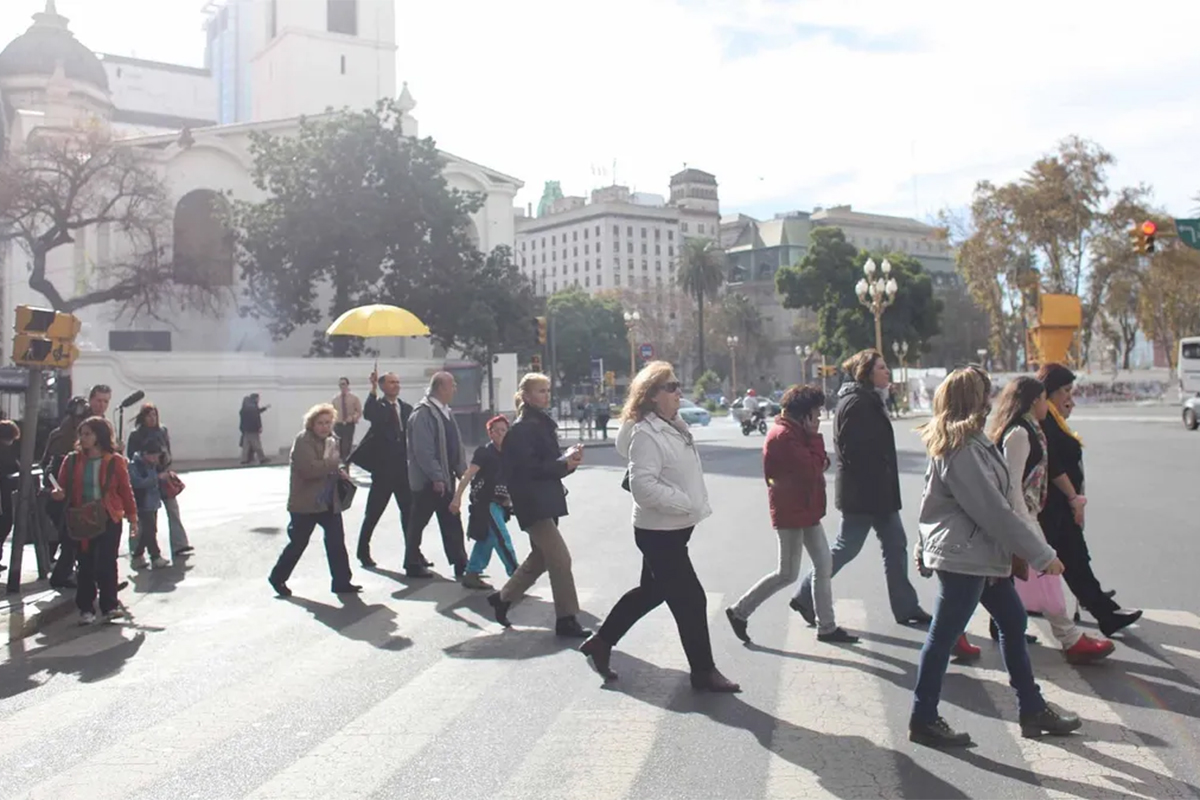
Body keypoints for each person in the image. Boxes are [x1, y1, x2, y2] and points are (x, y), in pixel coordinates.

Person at [910, 366, 1080, 747]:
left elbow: (930, 501)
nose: (990, 400)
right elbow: (994, 511)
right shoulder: (961, 449)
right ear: (972, 399)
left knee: (1013, 621)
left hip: (979, 554)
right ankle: (923, 717)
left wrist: (922, 545)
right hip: (965, 558)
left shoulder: (970, 441)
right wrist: (1041, 554)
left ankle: (1031, 708)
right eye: (984, 392)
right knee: (943, 637)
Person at [581, 361, 740, 691]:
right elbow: (642, 486)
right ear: (652, 395)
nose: (679, 392)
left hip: (671, 529)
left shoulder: (671, 425)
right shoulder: (646, 434)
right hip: (659, 534)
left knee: (652, 592)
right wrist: (685, 502)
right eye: (671, 387)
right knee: (692, 600)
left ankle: (601, 642)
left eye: (678, 385)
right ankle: (703, 671)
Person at [792, 349, 931, 627]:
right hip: (865, 495)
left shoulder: (868, 399)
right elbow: (852, 451)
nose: (887, 371)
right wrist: (877, 475)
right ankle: (805, 595)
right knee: (847, 547)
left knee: (895, 545)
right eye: (881, 367)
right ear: (866, 373)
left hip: (878, 494)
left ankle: (906, 607)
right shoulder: (857, 403)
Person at [988, 376, 1114, 664]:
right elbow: (1013, 486)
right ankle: (1071, 639)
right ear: (1034, 401)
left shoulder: (1032, 429)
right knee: (1047, 578)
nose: (1048, 404)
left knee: (1000, 583)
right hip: (1022, 520)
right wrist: (1028, 528)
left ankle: (978, 628)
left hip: (1025, 517)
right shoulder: (1020, 434)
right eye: (1045, 398)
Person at [725, 385, 858, 645]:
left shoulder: (795, 433)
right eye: (816, 413)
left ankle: (827, 627)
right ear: (804, 415)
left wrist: (815, 449)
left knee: (824, 564)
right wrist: (815, 439)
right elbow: (813, 468)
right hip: (792, 513)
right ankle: (740, 611)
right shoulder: (784, 437)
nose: (818, 418)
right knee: (787, 573)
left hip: (805, 509)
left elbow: (819, 463)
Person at [1036, 364, 1141, 637]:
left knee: (1075, 560)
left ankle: (1105, 612)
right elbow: (1054, 465)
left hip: (1060, 505)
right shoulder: (1045, 422)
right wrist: (1073, 498)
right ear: (1050, 391)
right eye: (1065, 391)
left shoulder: (1053, 419)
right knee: (1051, 563)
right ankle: (1003, 622)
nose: (1069, 397)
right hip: (1052, 506)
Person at [486, 372, 590, 638]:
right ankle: (566, 619)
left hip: (547, 500)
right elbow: (528, 470)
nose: (547, 395)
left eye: (547, 390)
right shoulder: (521, 429)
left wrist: (568, 462)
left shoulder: (541, 424)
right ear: (526, 396)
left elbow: (548, 465)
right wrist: (562, 464)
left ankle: (503, 599)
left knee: (540, 559)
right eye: (541, 391)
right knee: (560, 558)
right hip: (533, 504)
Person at [51, 417, 138, 625]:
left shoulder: (115, 461)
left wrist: (133, 518)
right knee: (85, 563)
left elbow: (125, 490)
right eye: (81, 434)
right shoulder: (72, 460)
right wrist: (57, 494)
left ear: (99, 436)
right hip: (83, 518)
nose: (83, 438)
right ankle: (86, 608)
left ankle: (109, 607)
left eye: (88, 434)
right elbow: (61, 488)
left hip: (109, 516)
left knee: (107, 562)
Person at [268, 404, 359, 597]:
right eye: (320, 423)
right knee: (298, 543)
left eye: (328, 423)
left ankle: (342, 581)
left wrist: (339, 472)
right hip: (306, 502)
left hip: (329, 500)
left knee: (336, 541)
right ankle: (278, 577)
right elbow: (309, 470)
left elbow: (330, 465)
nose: (325, 427)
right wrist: (332, 465)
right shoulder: (303, 440)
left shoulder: (331, 440)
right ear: (312, 424)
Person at [404, 372, 469, 579]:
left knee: (452, 520)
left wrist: (461, 470)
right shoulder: (423, 413)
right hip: (428, 481)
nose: (455, 389)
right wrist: (436, 477)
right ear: (440, 388)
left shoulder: (445, 411)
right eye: (452, 385)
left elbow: (454, 443)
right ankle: (412, 563)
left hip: (445, 477)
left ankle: (460, 562)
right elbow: (423, 450)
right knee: (418, 522)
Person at [352, 370, 414, 568]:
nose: (396, 385)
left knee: (409, 514)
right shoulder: (378, 407)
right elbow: (369, 413)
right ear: (382, 386)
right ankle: (363, 551)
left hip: (403, 470)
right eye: (391, 382)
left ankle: (413, 553)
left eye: (397, 382)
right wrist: (372, 389)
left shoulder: (406, 408)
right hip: (384, 471)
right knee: (373, 513)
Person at [450, 415, 520, 590]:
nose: (501, 434)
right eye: (496, 430)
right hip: (487, 502)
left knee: (488, 538)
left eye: (504, 430)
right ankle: (518, 577)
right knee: (502, 538)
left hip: (502, 505)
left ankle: (472, 573)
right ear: (490, 433)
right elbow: (468, 475)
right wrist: (457, 498)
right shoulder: (484, 452)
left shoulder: (510, 453)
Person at [127, 403, 192, 558]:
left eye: (154, 415)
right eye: (148, 415)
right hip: (146, 480)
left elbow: (167, 451)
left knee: (173, 510)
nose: (152, 418)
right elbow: (132, 457)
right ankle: (137, 550)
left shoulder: (162, 431)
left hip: (163, 477)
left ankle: (179, 544)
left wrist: (166, 469)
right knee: (147, 518)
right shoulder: (136, 435)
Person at [128, 441, 170, 569]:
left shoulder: (154, 465)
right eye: (153, 455)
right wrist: (155, 478)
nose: (155, 458)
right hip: (142, 502)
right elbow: (137, 483)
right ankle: (155, 556)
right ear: (145, 454)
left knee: (149, 530)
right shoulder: (135, 465)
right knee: (149, 530)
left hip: (153, 502)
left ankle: (137, 556)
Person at [332, 377, 363, 462]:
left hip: (349, 425)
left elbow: (359, 411)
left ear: (347, 385)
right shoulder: (335, 399)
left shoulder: (354, 398)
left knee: (347, 445)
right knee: (338, 446)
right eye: (340, 384)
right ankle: (339, 464)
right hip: (338, 425)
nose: (342, 386)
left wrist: (353, 418)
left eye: (343, 384)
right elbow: (332, 412)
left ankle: (346, 464)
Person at [239, 394, 270, 465]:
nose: (259, 400)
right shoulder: (253, 407)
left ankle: (244, 459)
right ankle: (262, 458)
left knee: (246, 445)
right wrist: (259, 427)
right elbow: (256, 418)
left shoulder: (244, 409)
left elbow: (256, 412)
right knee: (257, 444)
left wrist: (264, 408)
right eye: (258, 398)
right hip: (253, 429)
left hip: (246, 430)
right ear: (255, 398)